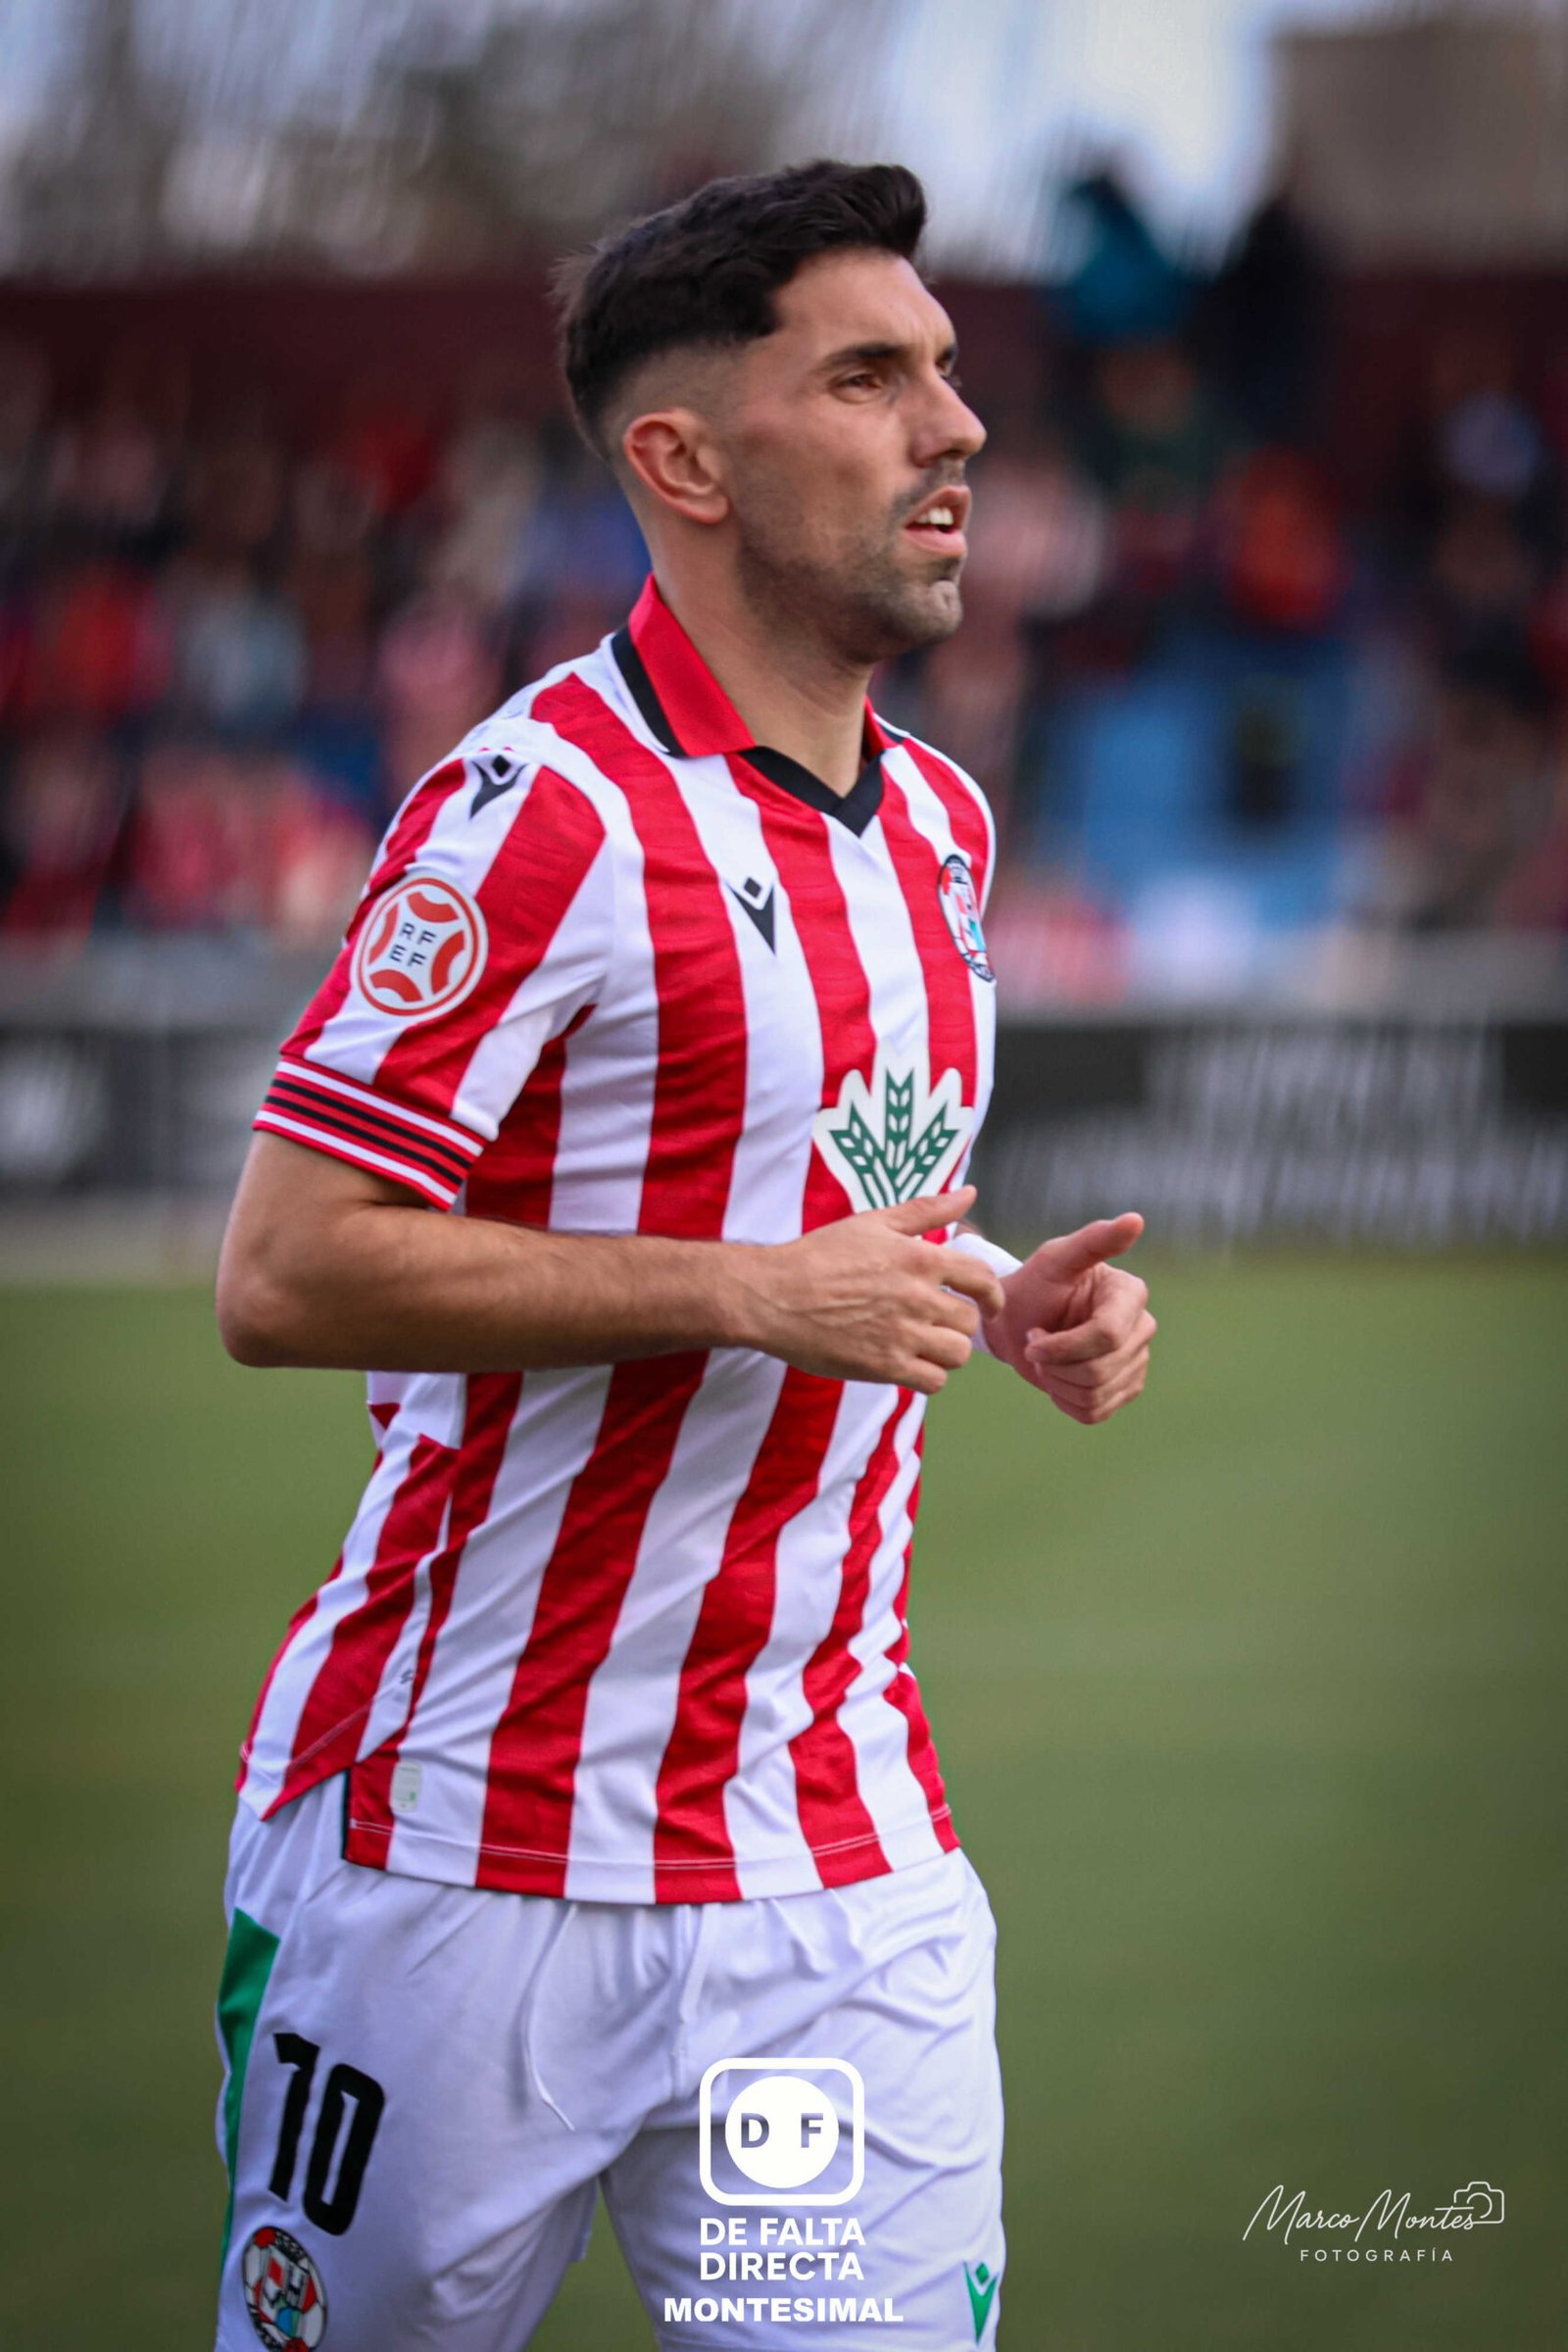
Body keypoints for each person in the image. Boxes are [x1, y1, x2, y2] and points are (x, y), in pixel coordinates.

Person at [212, 161, 1155, 2352]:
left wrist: (994, 1297)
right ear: (681, 460)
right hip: (456, 1859)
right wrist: (747, 1295)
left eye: (941, 368)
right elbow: (285, 1268)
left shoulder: (934, 823)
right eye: (868, 375)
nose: (958, 428)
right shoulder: (536, 812)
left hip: (831, 1870)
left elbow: (804, 1190)